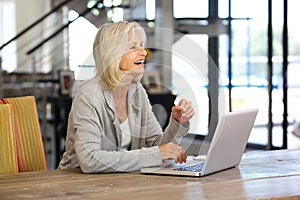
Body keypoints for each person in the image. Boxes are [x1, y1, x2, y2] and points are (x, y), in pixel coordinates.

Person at [58, 21, 195, 173]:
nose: (143, 52)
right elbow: (90, 160)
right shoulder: (89, 95)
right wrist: (156, 154)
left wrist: (177, 123)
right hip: (76, 185)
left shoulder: (137, 92)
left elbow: (158, 148)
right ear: (113, 54)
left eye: (141, 45)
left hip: (118, 184)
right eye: (133, 47)